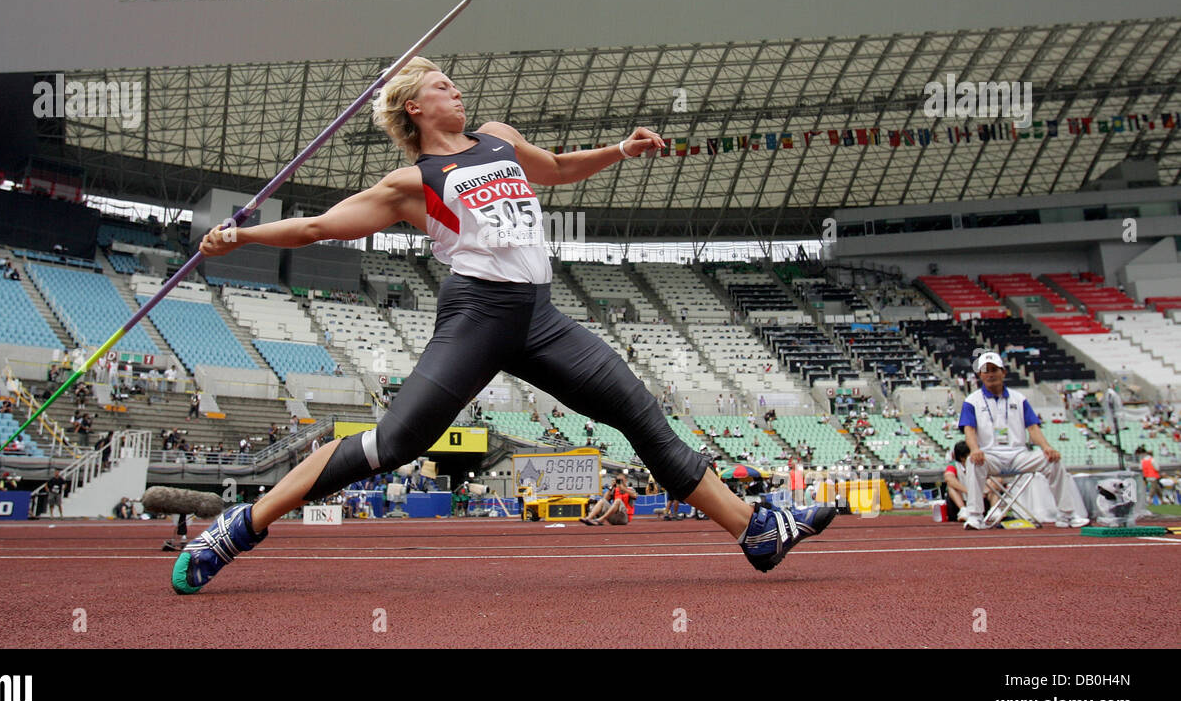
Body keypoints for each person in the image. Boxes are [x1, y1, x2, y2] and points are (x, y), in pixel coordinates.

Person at [172, 58, 834, 594]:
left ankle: (755, 530)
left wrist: (622, 150)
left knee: (639, 412)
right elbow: (320, 226)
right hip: (477, 316)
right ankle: (239, 527)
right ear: (414, 108)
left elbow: (560, 169)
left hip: (539, 318)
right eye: (439, 84)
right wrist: (241, 234)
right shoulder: (414, 180)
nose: (454, 87)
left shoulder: (499, 137)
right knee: (393, 443)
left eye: (451, 81)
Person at [958, 352, 1089, 530]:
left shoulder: (1019, 399)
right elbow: (969, 430)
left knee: (1053, 460)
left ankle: (1066, 514)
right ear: (980, 375)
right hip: (990, 456)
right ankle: (975, 516)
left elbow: (1033, 428)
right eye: (985, 371)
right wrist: (974, 449)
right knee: (974, 462)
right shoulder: (971, 401)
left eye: (994, 369)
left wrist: (1046, 448)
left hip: (1019, 454)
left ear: (1003, 372)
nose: (990, 374)